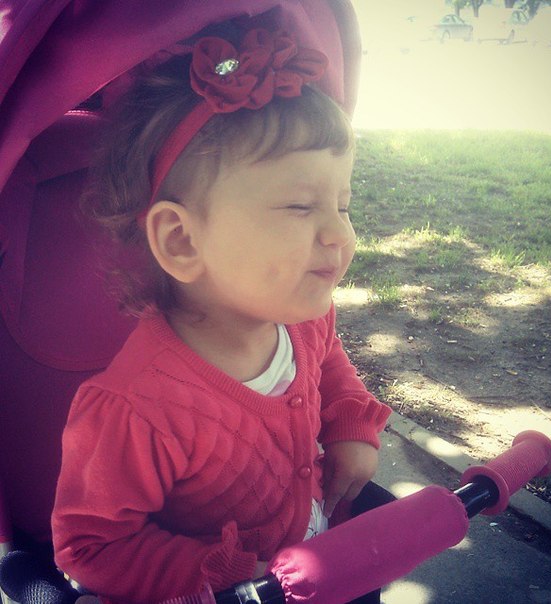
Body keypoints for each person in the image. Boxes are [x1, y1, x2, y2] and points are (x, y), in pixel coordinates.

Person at [51, 21, 391, 604]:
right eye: (300, 206)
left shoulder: (304, 318)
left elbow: (330, 367)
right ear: (182, 241)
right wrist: (223, 572)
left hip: (319, 558)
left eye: (342, 204)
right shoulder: (137, 407)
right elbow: (90, 547)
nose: (340, 234)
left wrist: (349, 428)